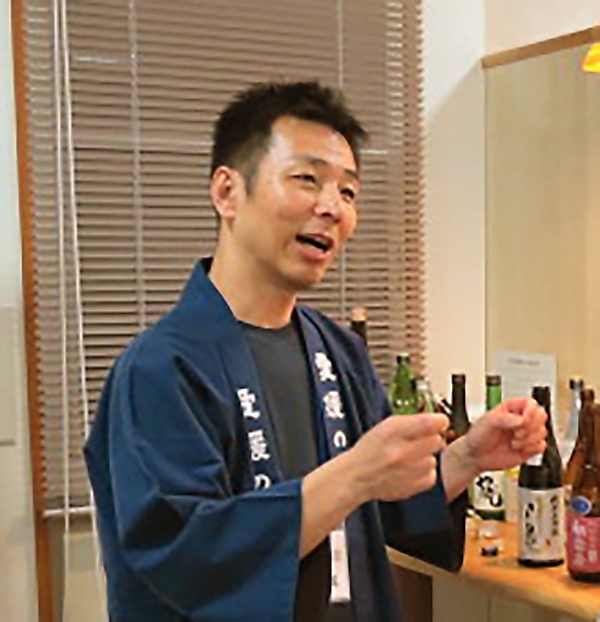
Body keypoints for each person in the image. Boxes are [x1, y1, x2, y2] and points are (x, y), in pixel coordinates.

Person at [84, 81, 547, 622]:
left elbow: (383, 508)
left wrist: (466, 458)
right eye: (306, 179)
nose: (332, 207)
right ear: (227, 193)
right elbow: (185, 554)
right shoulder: (161, 369)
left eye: (348, 192)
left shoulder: (339, 352)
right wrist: (355, 473)